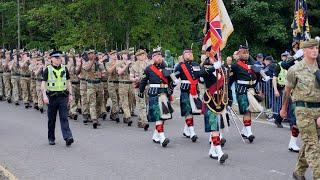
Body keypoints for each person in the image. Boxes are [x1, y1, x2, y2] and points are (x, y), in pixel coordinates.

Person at [280, 39, 320, 180]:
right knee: (313, 146)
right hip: (303, 110)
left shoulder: (319, 67)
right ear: (304, 51)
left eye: (316, 48)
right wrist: (283, 108)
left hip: (318, 111)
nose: (315, 50)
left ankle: (298, 172)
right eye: (311, 48)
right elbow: (287, 90)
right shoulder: (295, 69)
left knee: (310, 144)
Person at [139, 48, 174, 147]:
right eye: (156, 56)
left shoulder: (166, 69)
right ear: (152, 58)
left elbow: (172, 82)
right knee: (159, 116)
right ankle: (162, 138)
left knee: (163, 117)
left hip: (165, 94)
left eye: (160, 56)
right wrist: (141, 91)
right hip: (154, 94)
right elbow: (143, 82)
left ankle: (155, 135)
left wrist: (173, 85)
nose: (159, 58)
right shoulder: (148, 69)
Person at [228, 45, 263, 143]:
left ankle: (245, 130)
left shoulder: (251, 64)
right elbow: (229, 81)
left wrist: (256, 89)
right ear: (239, 54)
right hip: (241, 90)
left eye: (247, 52)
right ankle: (249, 132)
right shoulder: (235, 66)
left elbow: (257, 76)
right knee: (247, 110)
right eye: (244, 53)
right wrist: (229, 95)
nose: (246, 54)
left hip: (251, 90)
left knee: (249, 111)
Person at [41, 50, 74, 146]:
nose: (59, 59)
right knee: (51, 119)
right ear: (51, 59)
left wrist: (70, 94)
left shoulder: (64, 68)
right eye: (57, 58)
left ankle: (68, 137)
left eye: (60, 57)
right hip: (51, 97)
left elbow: (68, 82)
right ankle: (51, 138)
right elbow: (43, 84)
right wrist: (44, 96)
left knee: (64, 118)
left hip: (63, 96)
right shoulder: (48, 69)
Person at [201, 53, 229, 164]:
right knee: (214, 127)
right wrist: (214, 67)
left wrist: (228, 99)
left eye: (216, 57)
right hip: (211, 100)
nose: (216, 59)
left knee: (218, 125)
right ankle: (219, 152)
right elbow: (200, 73)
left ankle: (213, 151)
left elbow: (226, 85)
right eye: (213, 57)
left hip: (221, 100)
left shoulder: (222, 70)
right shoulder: (206, 68)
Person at [173, 48, 202, 142]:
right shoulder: (180, 66)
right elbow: (173, 76)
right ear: (183, 55)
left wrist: (202, 78)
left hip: (195, 90)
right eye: (187, 53)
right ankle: (192, 132)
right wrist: (174, 81)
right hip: (185, 90)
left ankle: (186, 130)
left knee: (193, 111)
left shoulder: (196, 64)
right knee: (188, 111)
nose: (189, 54)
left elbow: (200, 76)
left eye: (190, 53)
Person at [83, 50, 106, 129]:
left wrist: (102, 74)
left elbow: (104, 74)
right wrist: (93, 61)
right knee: (92, 102)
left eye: (92, 54)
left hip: (99, 84)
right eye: (89, 54)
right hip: (91, 84)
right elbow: (87, 69)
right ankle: (94, 119)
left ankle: (97, 117)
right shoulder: (86, 63)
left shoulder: (99, 64)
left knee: (99, 102)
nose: (91, 55)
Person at [130, 49, 150, 130]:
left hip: (147, 87)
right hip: (138, 87)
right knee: (142, 105)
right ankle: (145, 122)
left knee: (146, 103)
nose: (142, 56)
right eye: (140, 55)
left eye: (143, 55)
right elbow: (131, 77)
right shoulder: (134, 66)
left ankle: (140, 120)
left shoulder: (148, 65)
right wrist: (135, 79)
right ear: (137, 57)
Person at [116, 50, 133, 126]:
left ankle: (125, 117)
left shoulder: (132, 63)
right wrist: (126, 65)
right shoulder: (119, 63)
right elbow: (119, 72)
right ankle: (128, 117)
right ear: (122, 55)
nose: (126, 55)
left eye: (127, 54)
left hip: (130, 84)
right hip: (123, 84)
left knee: (130, 102)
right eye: (124, 54)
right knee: (124, 101)